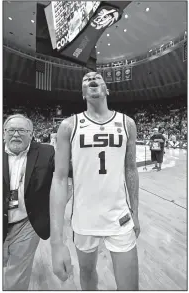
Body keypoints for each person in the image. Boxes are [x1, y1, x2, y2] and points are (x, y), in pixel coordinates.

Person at [50, 71, 140, 290]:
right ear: (83, 93)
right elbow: (60, 179)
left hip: (119, 217)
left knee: (130, 287)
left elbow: (130, 169)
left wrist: (136, 213)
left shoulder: (127, 123)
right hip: (84, 218)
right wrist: (56, 242)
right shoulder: (69, 126)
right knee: (87, 274)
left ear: (106, 89)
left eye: (98, 77)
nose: (92, 77)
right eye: (86, 79)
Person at [3, 114, 55, 290]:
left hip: (26, 223)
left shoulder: (46, 152)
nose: (16, 134)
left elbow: (68, 173)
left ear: (32, 134)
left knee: (16, 275)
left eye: (22, 131)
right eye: (11, 130)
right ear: (4, 133)